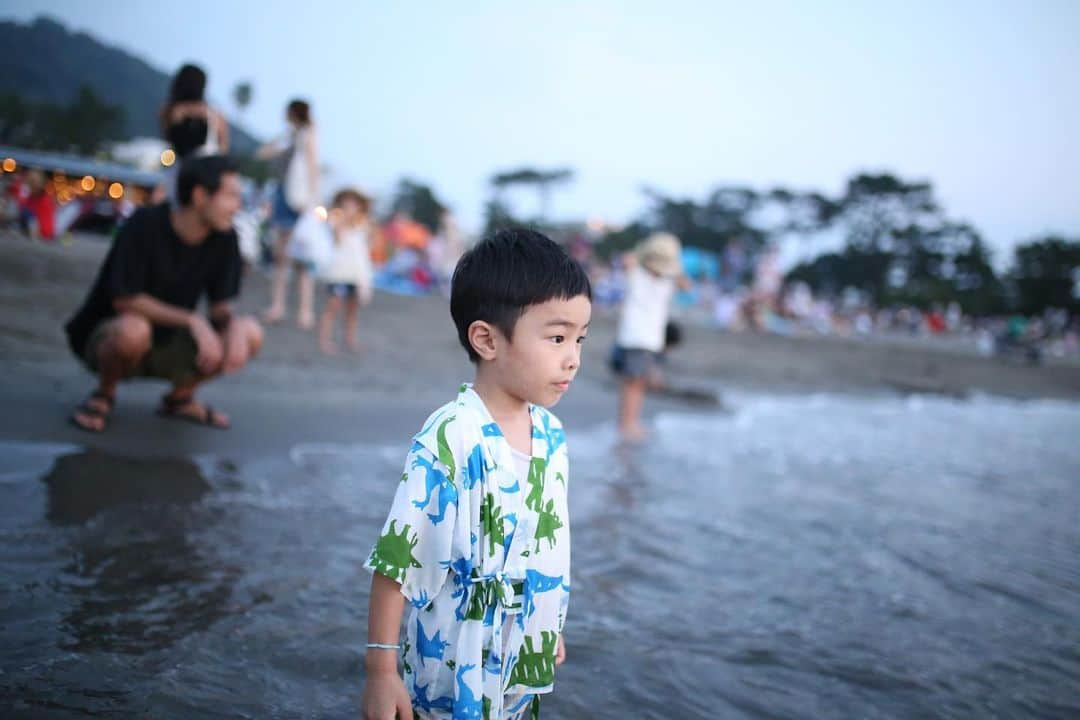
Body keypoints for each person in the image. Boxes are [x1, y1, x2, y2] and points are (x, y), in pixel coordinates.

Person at [361, 229, 591, 720]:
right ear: (487, 339)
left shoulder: (551, 435)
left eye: (579, 339)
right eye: (556, 337)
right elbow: (398, 558)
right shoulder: (451, 436)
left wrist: (547, 622)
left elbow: (541, 540)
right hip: (452, 660)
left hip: (518, 657)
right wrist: (381, 672)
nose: (573, 357)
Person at [65, 155, 263, 432]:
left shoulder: (225, 238)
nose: (238, 206)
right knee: (133, 330)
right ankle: (104, 393)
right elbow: (126, 300)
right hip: (109, 336)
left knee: (250, 331)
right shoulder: (145, 224)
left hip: (170, 341)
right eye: (231, 196)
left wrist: (235, 328)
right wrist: (193, 320)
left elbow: (220, 308)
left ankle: (179, 399)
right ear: (199, 195)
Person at [611, 232, 689, 441]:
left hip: (649, 339)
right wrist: (646, 254)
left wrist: (671, 266)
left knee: (637, 383)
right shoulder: (637, 274)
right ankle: (627, 424)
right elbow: (627, 258)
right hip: (636, 337)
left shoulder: (666, 280)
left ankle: (631, 422)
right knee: (633, 383)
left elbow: (686, 284)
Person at [259, 99, 320, 328]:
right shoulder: (290, 135)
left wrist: (314, 201)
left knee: (301, 257)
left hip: (300, 199)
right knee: (281, 255)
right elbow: (263, 153)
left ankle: (303, 310)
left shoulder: (308, 134)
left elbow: (313, 166)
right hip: (285, 195)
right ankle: (279, 305)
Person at [160, 64, 229, 204]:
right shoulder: (215, 114)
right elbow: (223, 149)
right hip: (207, 174)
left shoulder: (170, 111)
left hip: (178, 172)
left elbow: (168, 139)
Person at [318, 188, 376, 354]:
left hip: (355, 274)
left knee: (352, 310)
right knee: (332, 306)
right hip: (337, 272)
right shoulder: (335, 221)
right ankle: (325, 340)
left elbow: (366, 250)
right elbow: (336, 239)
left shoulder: (364, 224)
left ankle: (349, 340)